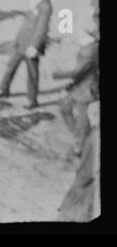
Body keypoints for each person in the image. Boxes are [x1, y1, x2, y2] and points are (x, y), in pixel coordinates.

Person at [0, 0, 52, 109]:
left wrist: (35, 46)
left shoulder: (45, 5)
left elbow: (42, 28)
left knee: (32, 72)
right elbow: (29, 22)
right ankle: (4, 89)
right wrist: (18, 36)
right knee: (11, 65)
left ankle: (32, 100)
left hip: (31, 44)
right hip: (22, 42)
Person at [53, 24, 98, 157]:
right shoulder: (90, 48)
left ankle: (81, 143)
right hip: (83, 85)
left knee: (81, 114)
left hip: (86, 88)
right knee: (65, 107)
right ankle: (79, 135)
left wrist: (56, 75)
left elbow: (76, 72)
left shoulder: (89, 51)